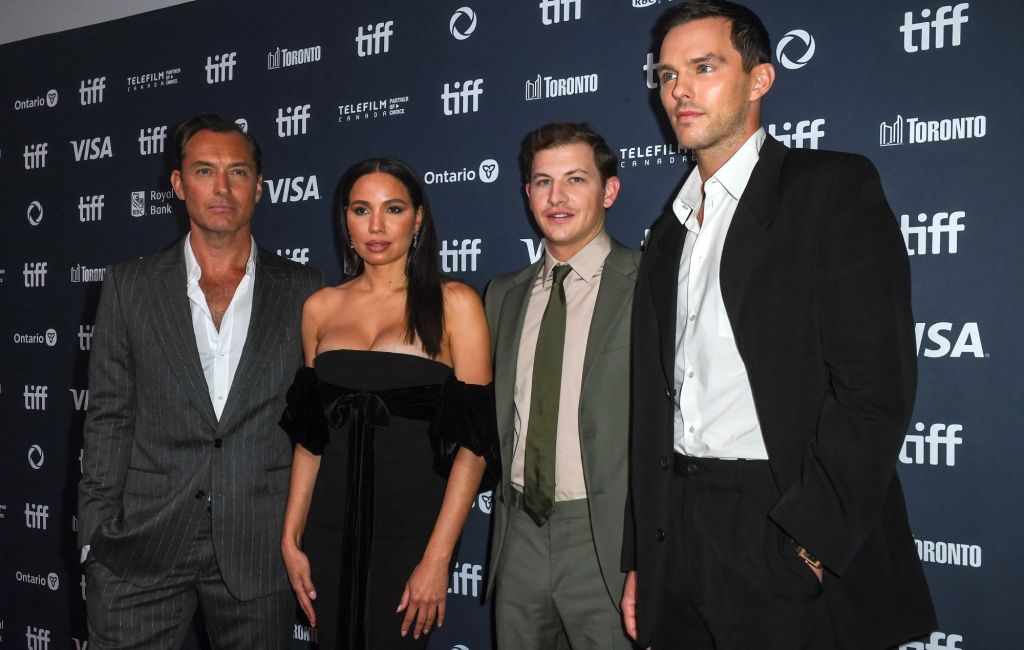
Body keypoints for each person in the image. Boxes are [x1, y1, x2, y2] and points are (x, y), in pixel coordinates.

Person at [621, 2, 937, 648]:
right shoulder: (667, 231)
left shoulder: (829, 190)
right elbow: (652, 411)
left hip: (776, 525)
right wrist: (643, 559)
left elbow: (876, 388)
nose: (679, 89)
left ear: (760, 78)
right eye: (667, 74)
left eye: (704, 67)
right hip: (676, 530)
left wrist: (809, 541)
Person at [79, 113, 322, 648]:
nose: (221, 187)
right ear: (177, 183)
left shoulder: (305, 290)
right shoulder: (129, 287)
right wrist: (93, 536)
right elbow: (109, 418)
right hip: (141, 544)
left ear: (259, 187)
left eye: (237, 173)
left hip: (258, 546)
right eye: (204, 170)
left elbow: (314, 425)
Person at [279, 157, 497, 650]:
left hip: (411, 532)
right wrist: (291, 539)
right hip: (328, 529)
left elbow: (474, 445)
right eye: (361, 210)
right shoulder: (320, 308)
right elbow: (310, 441)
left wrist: (438, 557)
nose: (376, 226)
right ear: (346, 219)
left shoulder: (454, 303)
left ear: (417, 218)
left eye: (393, 209)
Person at [485, 122, 641, 649]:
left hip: (608, 539)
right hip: (518, 531)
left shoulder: (648, 284)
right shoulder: (502, 296)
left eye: (575, 179)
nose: (557, 197)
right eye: (542, 181)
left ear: (610, 190)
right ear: (526, 193)